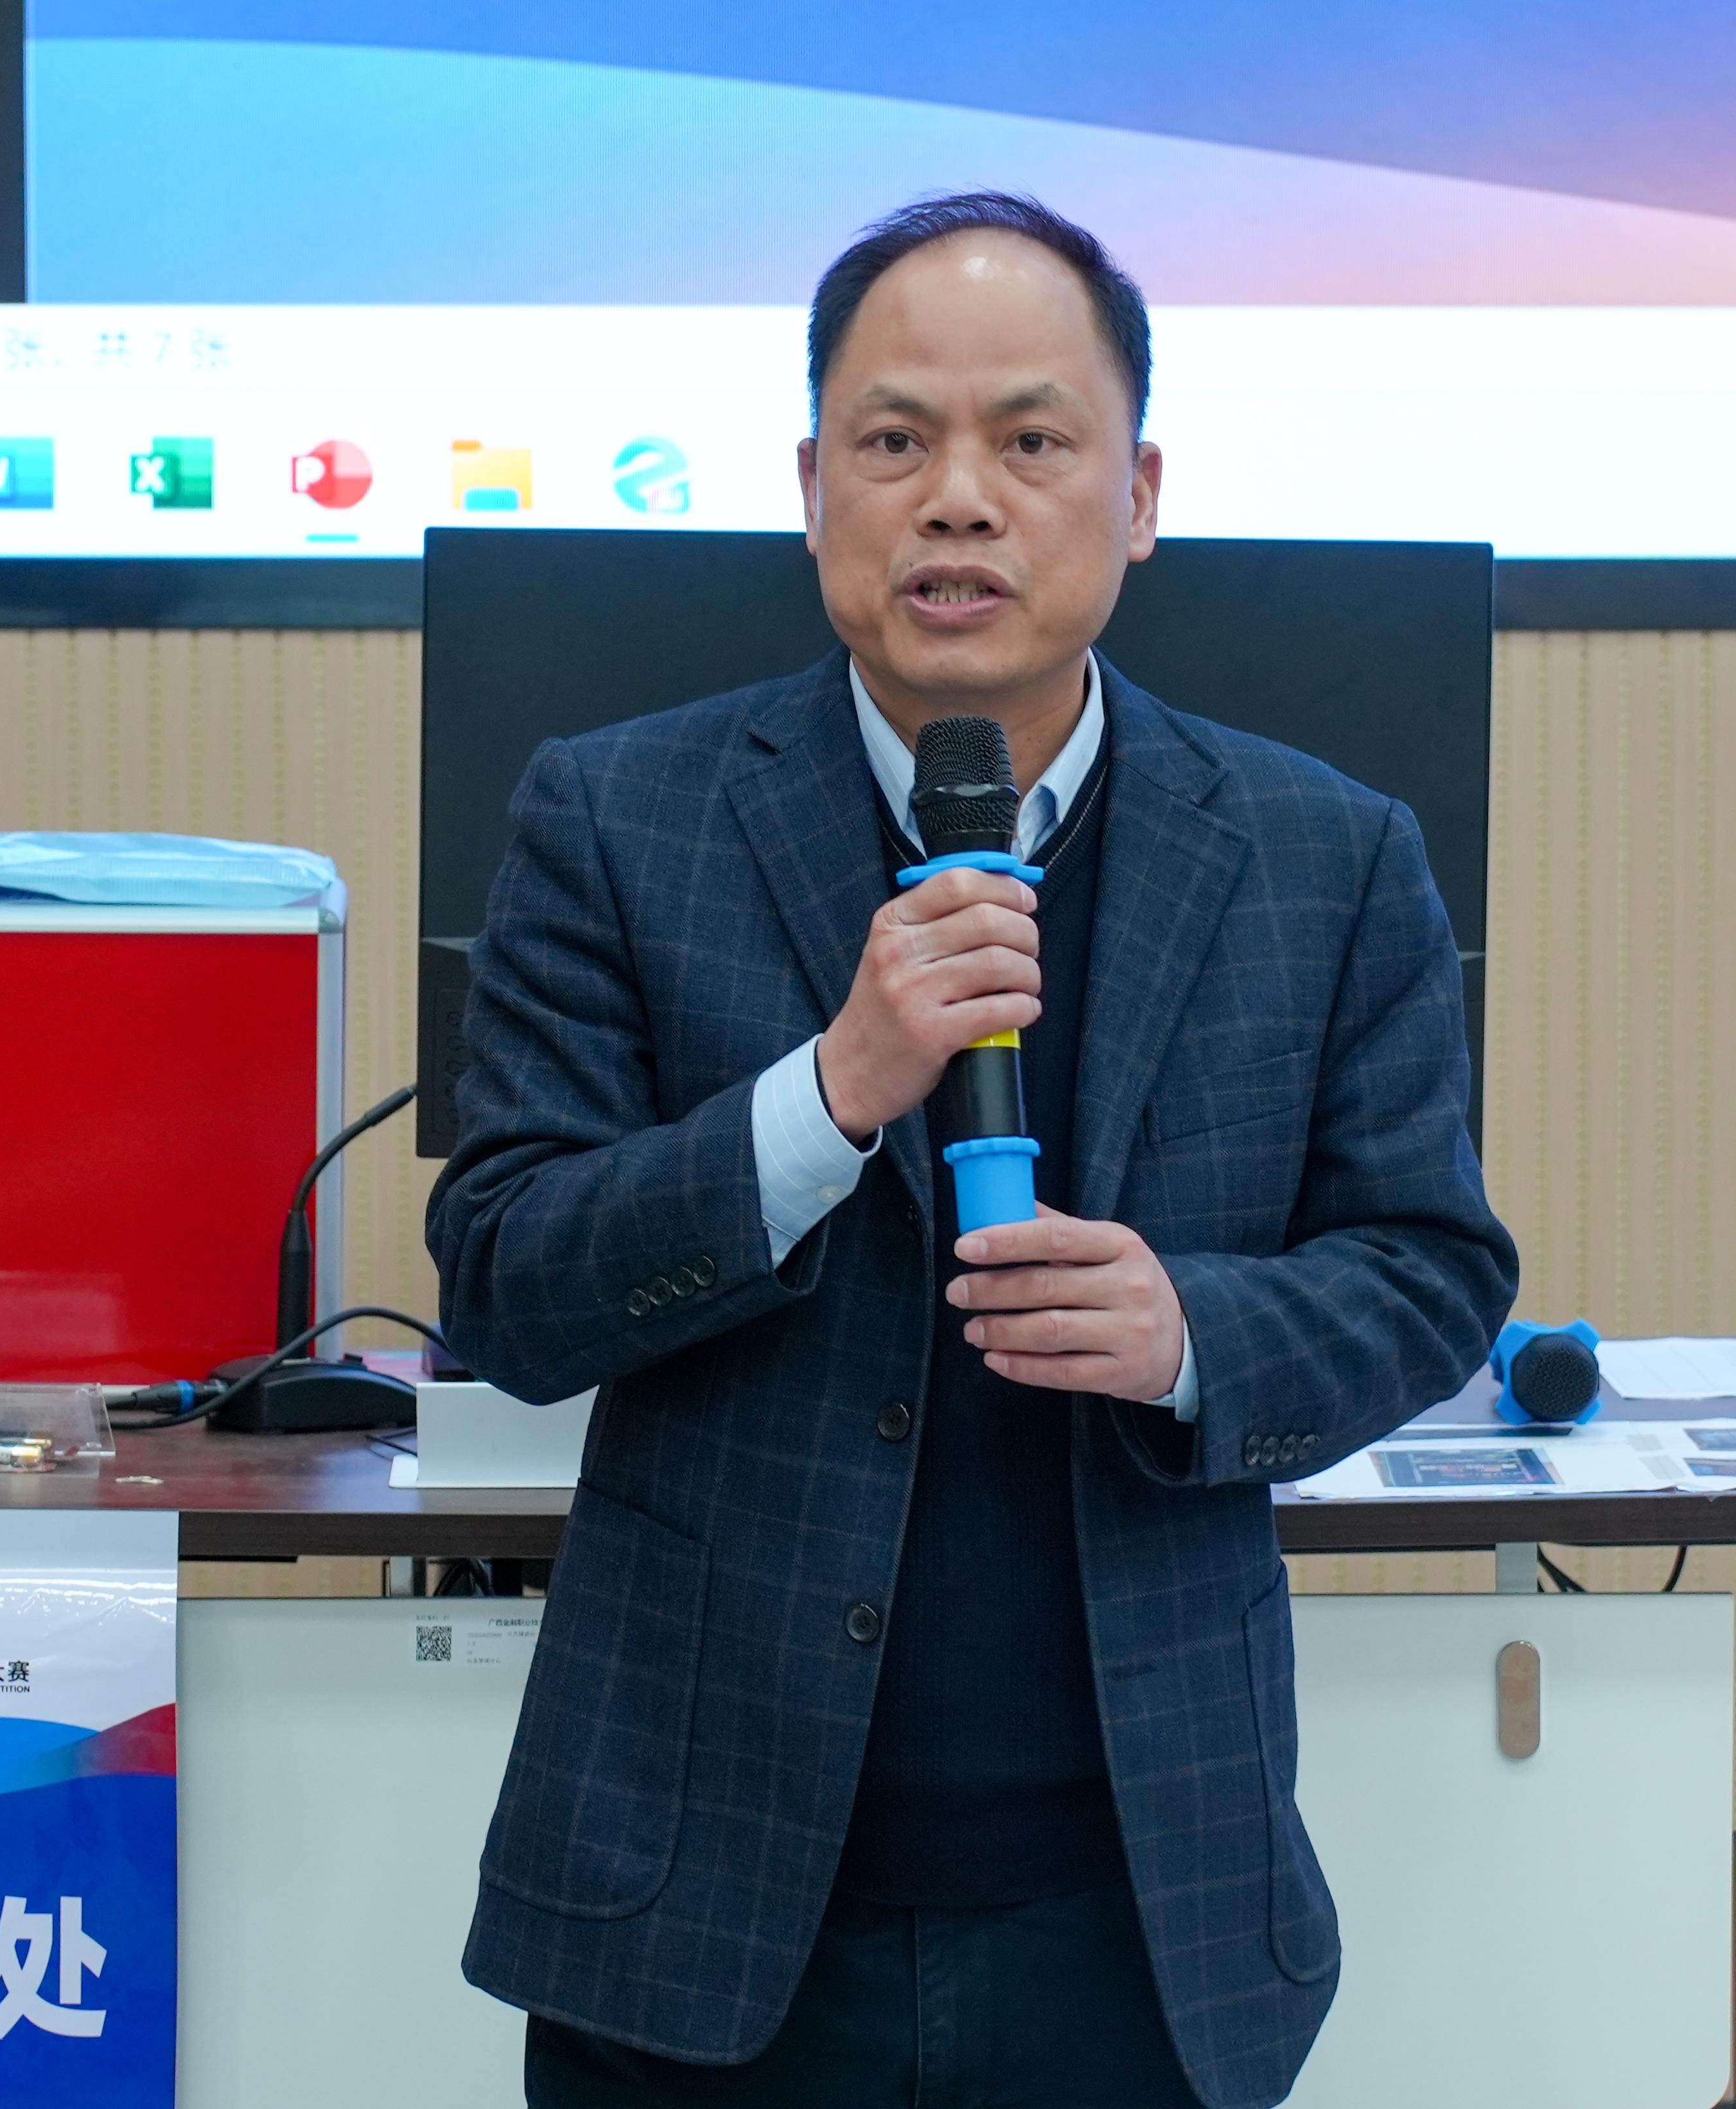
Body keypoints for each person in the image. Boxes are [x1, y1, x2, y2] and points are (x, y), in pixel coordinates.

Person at [431, 191, 1517, 2109]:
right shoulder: (615, 816)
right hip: (700, 1901)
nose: (957, 501)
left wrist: (1189, 1335)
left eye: (1029, 441)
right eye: (894, 441)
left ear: (1138, 494)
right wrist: (829, 1091)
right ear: (812, 491)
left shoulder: (1327, 854)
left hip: (1142, 1907)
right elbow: (509, 1280)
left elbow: (1429, 1271)